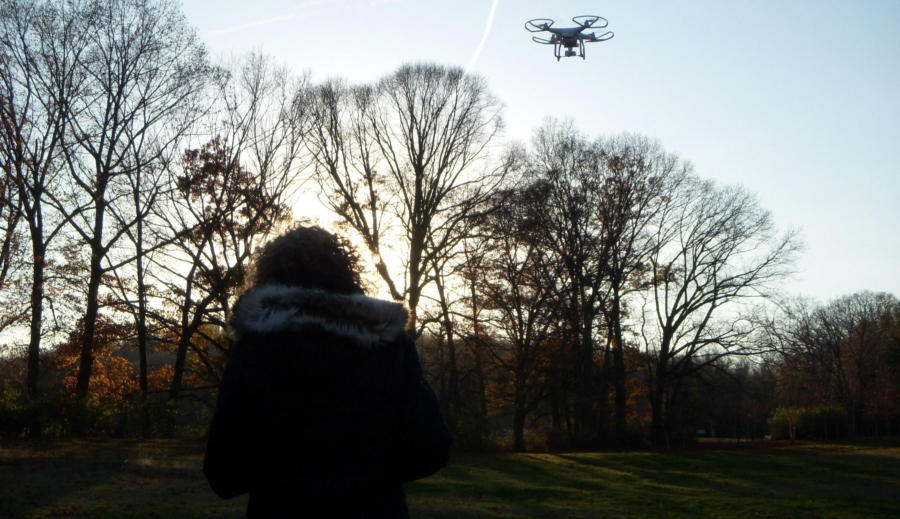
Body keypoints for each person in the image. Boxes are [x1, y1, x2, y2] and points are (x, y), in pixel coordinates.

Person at [204, 226, 451, 518]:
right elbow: (431, 448)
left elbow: (224, 473)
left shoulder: (255, 349)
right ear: (347, 270)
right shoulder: (389, 344)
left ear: (270, 276)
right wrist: (369, 476)